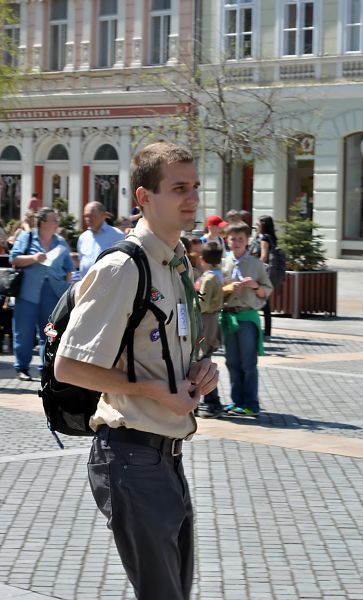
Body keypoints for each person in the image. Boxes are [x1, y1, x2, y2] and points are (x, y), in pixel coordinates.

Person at [54, 142, 218, 600]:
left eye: (194, 188)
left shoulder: (177, 262)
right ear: (144, 197)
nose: (191, 198)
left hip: (167, 457)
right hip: (130, 457)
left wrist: (202, 371)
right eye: (178, 188)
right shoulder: (125, 267)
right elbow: (69, 366)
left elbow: (171, 349)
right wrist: (155, 392)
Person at [10, 207, 74, 381]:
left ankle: (45, 368)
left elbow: (69, 267)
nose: (57, 223)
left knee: (50, 333)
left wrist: (68, 282)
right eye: (54, 220)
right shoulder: (27, 237)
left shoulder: (60, 242)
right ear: (43, 222)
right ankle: (22, 367)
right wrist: (33, 258)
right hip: (27, 293)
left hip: (52, 293)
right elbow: (13, 259)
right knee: (23, 332)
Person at [221, 221, 272, 417]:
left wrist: (254, 286)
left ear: (247, 241)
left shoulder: (256, 264)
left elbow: (267, 290)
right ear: (227, 240)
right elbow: (217, 289)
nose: (236, 242)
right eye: (233, 239)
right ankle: (236, 401)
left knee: (248, 363)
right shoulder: (224, 263)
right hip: (228, 316)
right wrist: (227, 288)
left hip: (247, 317)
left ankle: (251, 403)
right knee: (231, 361)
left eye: (240, 239)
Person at [195, 240, 224, 418]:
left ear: (201, 259)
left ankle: (210, 403)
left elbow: (202, 303)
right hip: (212, 320)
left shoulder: (208, 278)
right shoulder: (218, 275)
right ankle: (209, 402)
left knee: (201, 360)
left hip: (206, 322)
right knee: (204, 360)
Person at [77, 201, 124, 279]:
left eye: (91, 216)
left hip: (108, 286)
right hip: (85, 286)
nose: (88, 219)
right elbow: (81, 260)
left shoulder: (117, 235)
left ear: (103, 215)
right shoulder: (83, 237)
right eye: (86, 216)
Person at [250, 215, 278, 338]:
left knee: (264, 302)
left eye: (258, 224)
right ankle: (267, 330)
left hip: (262, 273)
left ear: (263, 225)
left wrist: (256, 270)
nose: (256, 226)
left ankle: (266, 330)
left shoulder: (264, 238)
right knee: (265, 302)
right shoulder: (271, 237)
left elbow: (264, 256)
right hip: (268, 272)